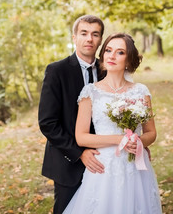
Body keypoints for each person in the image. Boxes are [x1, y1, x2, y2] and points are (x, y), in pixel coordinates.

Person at [63, 33, 162, 213]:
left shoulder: (141, 91)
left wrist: (139, 141)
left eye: (120, 52)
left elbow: (151, 133)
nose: (111, 56)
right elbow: (81, 137)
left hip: (136, 166)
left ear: (129, 60)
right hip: (103, 167)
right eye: (108, 50)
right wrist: (120, 139)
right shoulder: (90, 92)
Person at [38, 15, 106, 214]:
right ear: (74, 37)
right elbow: (48, 122)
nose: (89, 39)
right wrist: (79, 153)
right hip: (67, 162)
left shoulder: (107, 70)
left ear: (101, 39)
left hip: (103, 159)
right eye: (84, 33)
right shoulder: (56, 71)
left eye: (95, 34)